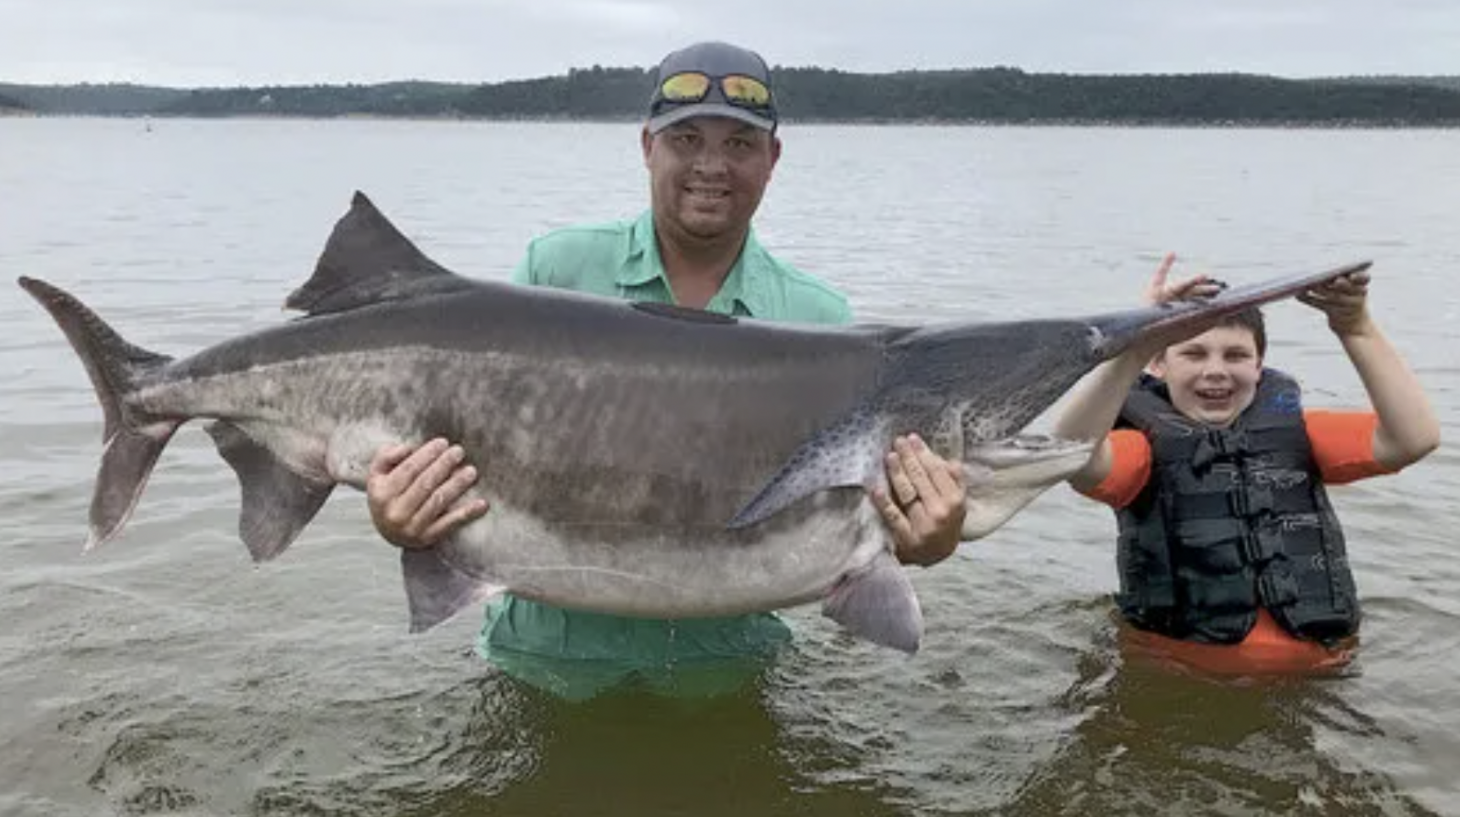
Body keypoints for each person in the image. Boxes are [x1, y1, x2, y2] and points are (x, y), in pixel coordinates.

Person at [363, 41, 969, 699]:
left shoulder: (818, 320)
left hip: (727, 675)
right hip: (543, 665)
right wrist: (402, 515)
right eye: (687, 138)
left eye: (739, 143)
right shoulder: (556, 272)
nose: (711, 164)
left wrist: (926, 540)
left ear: (773, 159)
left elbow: (860, 521)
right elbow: (465, 451)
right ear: (648, 146)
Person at [1053, 255, 1440, 675]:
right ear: (1158, 366)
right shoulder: (1139, 452)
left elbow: (1413, 439)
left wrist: (1355, 327)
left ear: (1259, 366)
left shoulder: (1302, 435)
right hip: (1182, 674)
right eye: (1194, 354)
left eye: (1235, 355)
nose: (1215, 370)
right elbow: (1071, 455)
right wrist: (1133, 346)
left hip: (1316, 674)